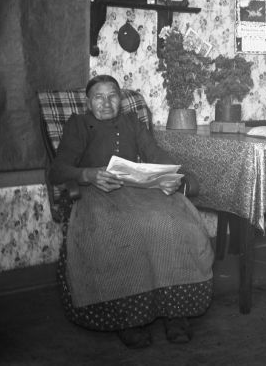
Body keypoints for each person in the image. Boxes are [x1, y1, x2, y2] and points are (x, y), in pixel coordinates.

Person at [49, 75, 214, 348]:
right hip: (96, 193)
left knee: (173, 222)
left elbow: (154, 152)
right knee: (121, 229)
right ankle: (128, 318)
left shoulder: (131, 122)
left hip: (137, 190)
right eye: (98, 97)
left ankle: (176, 312)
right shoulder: (78, 125)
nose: (106, 102)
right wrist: (88, 175)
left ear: (120, 99)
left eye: (112, 95)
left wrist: (173, 172)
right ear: (88, 102)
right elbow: (58, 170)